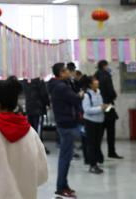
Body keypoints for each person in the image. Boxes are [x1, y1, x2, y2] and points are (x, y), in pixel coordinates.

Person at [49, 62, 83, 198]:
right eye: (66, 71)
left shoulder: (62, 85)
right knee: (65, 157)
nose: (69, 72)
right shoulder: (61, 87)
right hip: (66, 123)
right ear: (61, 73)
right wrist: (80, 95)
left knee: (67, 156)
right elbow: (75, 99)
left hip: (64, 122)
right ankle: (60, 187)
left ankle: (64, 185)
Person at [79, 76, 107, 174]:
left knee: (97, 144)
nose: (97, 81)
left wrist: (105, 107)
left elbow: (100, 105)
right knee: (91, 144)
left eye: (96, 80)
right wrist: (100, 108)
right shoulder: (87, 95)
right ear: (90, 84)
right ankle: (92, 165)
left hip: (100, 121)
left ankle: (96, 162)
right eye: (95, 80)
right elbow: (87, 110)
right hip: (90, 122)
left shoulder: (99, 93)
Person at [95, 60, 121, 159]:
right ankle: (111, 152)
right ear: (104, 66)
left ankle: (97, 153)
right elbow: (111, 91)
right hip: (108, 105)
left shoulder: (95, 76)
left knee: (99, 131)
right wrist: (113, 96)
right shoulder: (106, 76)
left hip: (98, 106)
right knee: (110, 129)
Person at [24, 77, 49, 153]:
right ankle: (38, 148)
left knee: (31, 129)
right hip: (38, 109)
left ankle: (31, 147)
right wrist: (47, 103)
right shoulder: (40, 82)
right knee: (38, 129)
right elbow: (44, 95)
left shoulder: (26, 81)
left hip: (29, 108)